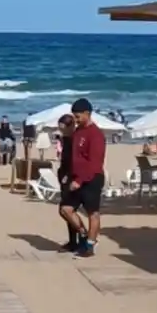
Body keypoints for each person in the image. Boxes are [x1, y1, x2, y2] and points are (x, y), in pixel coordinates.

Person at [61, 97, 106, 257]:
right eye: (74, 116)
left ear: (87, 113)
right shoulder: (78, 132)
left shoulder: (96, 135)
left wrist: (80, 181)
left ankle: (90, 245)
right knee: (65, 209)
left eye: (78, 116)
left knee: (92, 213)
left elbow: (94, 163)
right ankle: (83, 233)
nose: (76, 119)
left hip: (92, 178)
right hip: (75, 178)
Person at [56, 113, 77, 251]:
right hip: (64, 175)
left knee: (66, 209)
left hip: (70, 177)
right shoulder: (66, 138)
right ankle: (72, 241)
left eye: (63, 127)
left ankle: (82, 235)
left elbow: (74, 161)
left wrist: (68, 176)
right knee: (65, 209)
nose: (61, 130)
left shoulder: (74, 139)